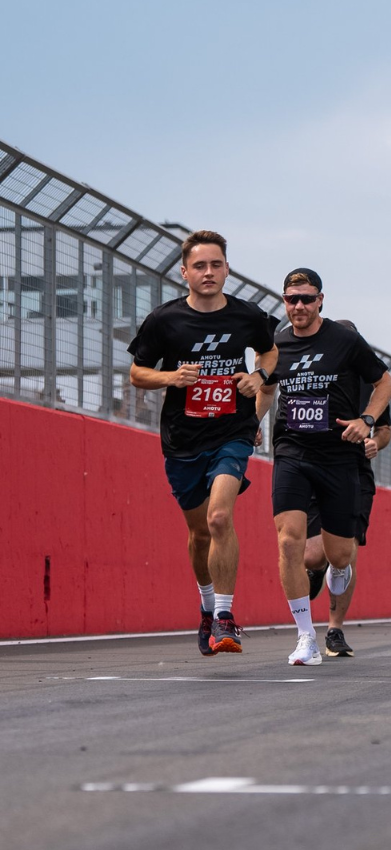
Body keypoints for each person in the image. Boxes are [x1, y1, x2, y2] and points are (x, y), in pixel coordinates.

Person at [128, 229, 278, 656]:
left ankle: (226, 617)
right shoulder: (164, 320)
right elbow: (138, 373)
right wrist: (171, 377)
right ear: (184, 272)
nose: (208, 272)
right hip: (182, 439)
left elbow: (268, 353)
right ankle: (208, 608)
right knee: (198, 535)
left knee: (218, 518)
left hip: (232, 431)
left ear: (227, 269)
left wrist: (258, 377)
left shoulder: (247, 315)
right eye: (199, 266)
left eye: (215, 265)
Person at [257, 269, 391, 666]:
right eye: (291, 299)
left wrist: (366, 421)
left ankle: (339, 572)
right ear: (284, 302)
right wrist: (252, 423)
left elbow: (384, 383)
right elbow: (267, 389)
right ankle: (306, 637)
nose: (298, 306)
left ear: (321, 300)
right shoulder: (276, 343)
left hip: (339, 457)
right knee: (289, 541)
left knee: (339, 555)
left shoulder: (345, 341)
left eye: (306, 298)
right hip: (292, 452)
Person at [301, 321, 391, 658]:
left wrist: (374, 444)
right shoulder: (311, 371)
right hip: (312, 465)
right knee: (313, 553)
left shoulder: (373, 380)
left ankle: (335, 630)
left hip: (354, 472)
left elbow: (385, 431)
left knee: (347, 552)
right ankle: (315, 567)